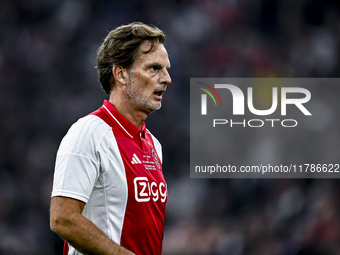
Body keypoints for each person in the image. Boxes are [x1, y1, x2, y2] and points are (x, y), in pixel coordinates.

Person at [50, 22, 171, 255]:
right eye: (154, 68)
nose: (166, 78)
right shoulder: (88, 132)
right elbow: (62, 218)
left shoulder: (153, 144)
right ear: (121, 74)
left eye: (166, 69)